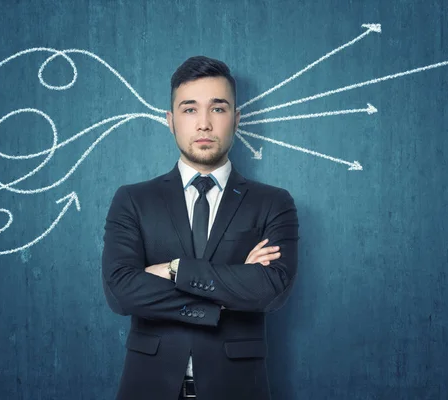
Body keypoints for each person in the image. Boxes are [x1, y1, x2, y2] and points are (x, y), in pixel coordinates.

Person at [101, 55, 300, 400]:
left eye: (218, 109)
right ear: (170, 120)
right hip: (147, 387)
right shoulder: (133, 199)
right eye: (190, 109)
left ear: (236, 120)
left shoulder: (273, 202)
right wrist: (226, 292)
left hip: (238, 388)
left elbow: (270, 288)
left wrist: (173, 269)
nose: (204, 124)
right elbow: (121, 291)